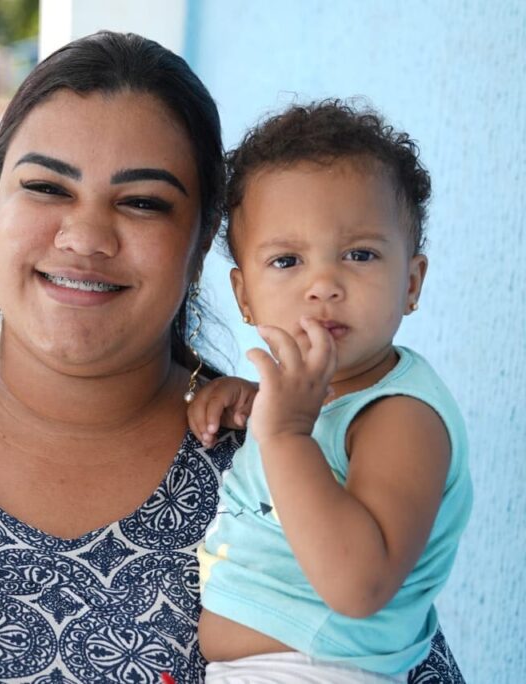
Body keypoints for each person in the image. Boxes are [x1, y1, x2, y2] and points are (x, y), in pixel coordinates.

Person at [0, 33, 464, 683]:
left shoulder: (278, 459)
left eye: (143, 202)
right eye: (44, 188)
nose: (86, 237)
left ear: (202, 245)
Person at [188, 101, 473, 682]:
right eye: (287, 260)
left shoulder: (402, 418)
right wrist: (259, 400)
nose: (324, 285)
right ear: (244, 297)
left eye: (360, 255)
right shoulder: (322, 397)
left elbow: (359, 585)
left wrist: (284, 434)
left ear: (411, 283)